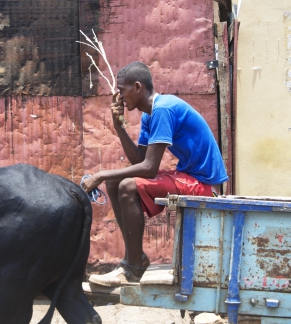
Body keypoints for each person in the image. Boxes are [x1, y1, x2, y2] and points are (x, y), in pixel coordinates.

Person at [81, 61, 228, 286]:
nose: (119, 97)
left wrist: (100, 174)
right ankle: (135, 259)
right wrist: (119, 126)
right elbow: (140, 162)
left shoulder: (163, 109)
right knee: (115, 183)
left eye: (122, 90)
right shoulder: (149, 115)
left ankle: (132, 267)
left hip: (205, 184)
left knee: (126, 185)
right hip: (188, 176)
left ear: (138, 87)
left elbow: (148, 168)